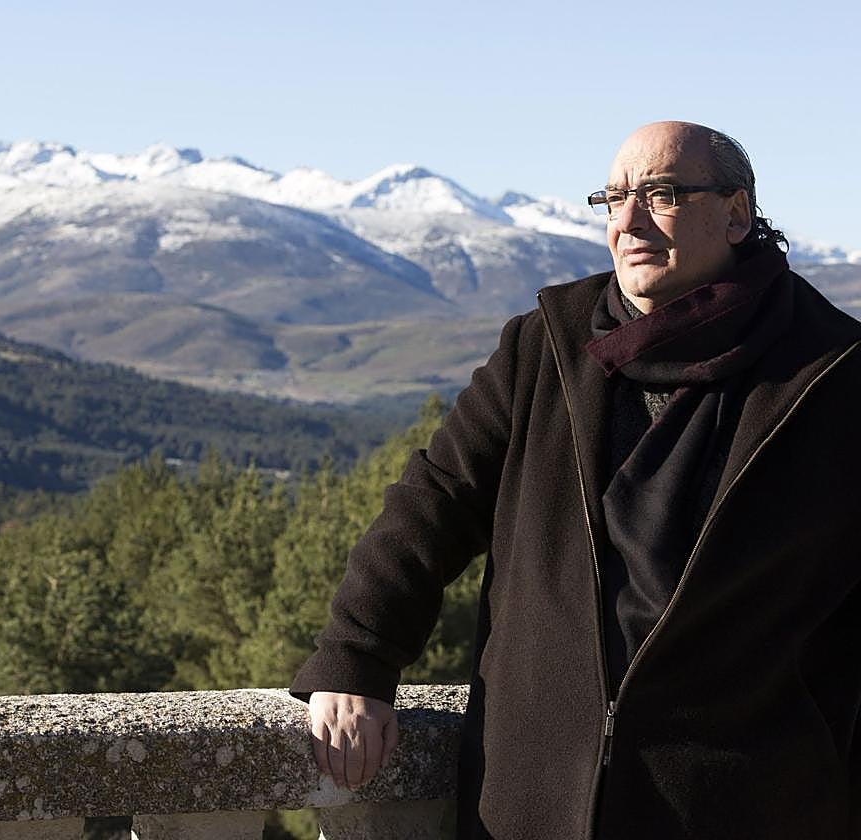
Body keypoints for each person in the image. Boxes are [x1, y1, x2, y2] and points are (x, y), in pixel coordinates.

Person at [290, 121, 861, 839]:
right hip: (532, 801)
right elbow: (433, 503)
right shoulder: (545, 347)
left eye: (662, 193)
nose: (628, 220)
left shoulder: (832, 376)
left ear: (737, 213)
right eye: (614, 197)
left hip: (747, 804)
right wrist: (355, 656)